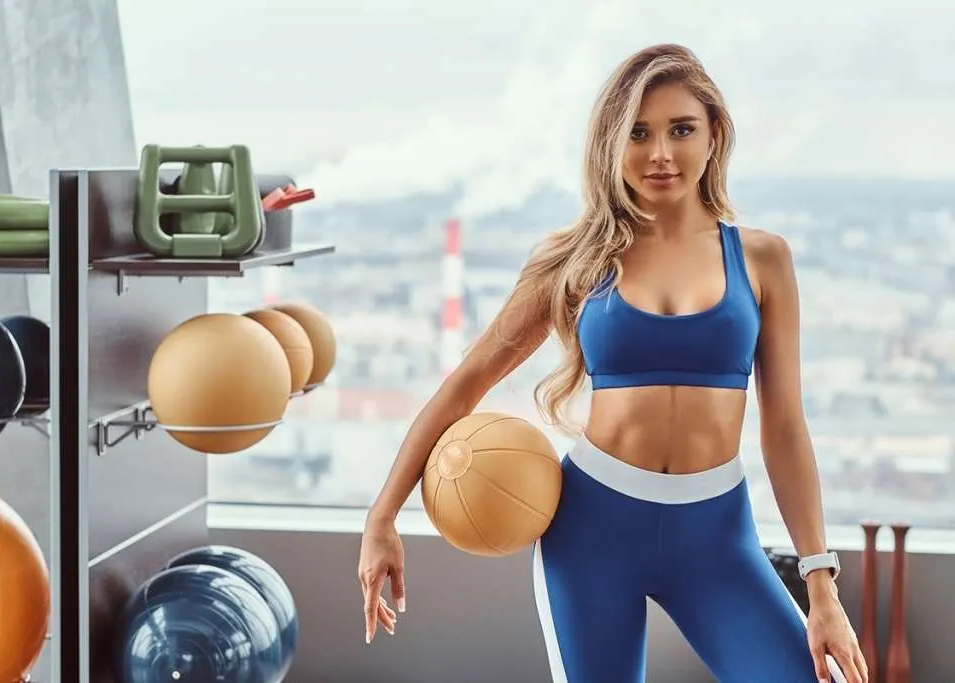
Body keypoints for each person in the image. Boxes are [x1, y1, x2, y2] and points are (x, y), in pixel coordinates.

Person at [357, 43, 869, 683]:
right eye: (638, 133)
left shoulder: (764, 260)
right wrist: (382, 517)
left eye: (681, 129)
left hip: (717, 537)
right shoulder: (573, 259)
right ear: (611, 145)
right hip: (594, 531)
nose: (660, 153)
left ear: (714, 136)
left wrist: (823, 588)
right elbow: (466, 384)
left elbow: (786, 429)